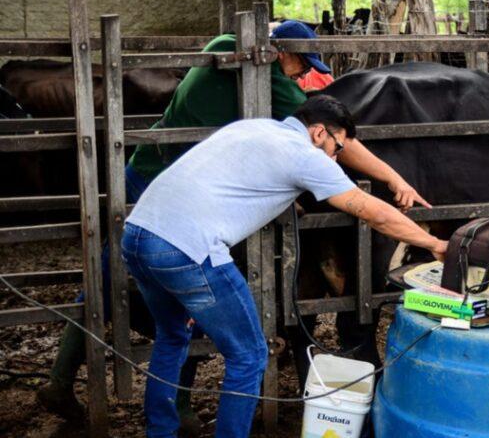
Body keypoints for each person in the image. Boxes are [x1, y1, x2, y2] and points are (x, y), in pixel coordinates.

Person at [37, 25, 427, 433]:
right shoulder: (291, 119)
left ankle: (154, 423)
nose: (300, 76)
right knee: (249, 355)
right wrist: (408, 201)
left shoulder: (234, 76)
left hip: (142, 220)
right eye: (300, 64)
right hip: (184, 235)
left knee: (162, 327)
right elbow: (368, 205)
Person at [121, 95, 447, 437]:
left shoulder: (255, 128)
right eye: (338, 149)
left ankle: (160, 431)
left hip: (138, 235)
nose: (337, 159)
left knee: (172, 336)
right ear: (319, 132)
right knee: (248, 355)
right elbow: (373, 212)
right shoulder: (306, 157)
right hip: (188, 250)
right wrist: (433, 243)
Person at [270, 20, 334, 92]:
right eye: (303, 65)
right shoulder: (272, 78)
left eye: (308, 70)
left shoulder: (323, 78)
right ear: (283, 53)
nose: (303, 76)